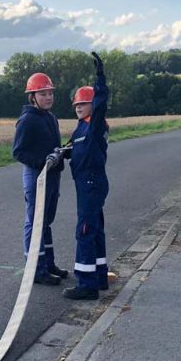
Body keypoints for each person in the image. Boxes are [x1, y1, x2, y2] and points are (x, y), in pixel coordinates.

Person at [12, 72, 68, 285]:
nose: (48, 97)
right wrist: (42, 162)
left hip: (52, 175)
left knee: (46, 222)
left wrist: (62, 153)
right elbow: (18, 151)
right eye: (43, 94)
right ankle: (35, 270)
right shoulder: (27, 120)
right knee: (35, 223)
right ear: (32, 96)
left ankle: (48, 264)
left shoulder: (50, 117)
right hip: (37, 176)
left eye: (50, 93)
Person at [62, 52, 110, 300]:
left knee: (85, 231)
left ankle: (86, 285)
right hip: (86, 183)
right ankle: (100, 277)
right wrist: (62, 153)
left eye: (83, 103)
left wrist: (100, 78)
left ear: (92, 105)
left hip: (91, 182)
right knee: (96, 230)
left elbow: (101, 102)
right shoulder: (81, 127)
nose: (78, 107)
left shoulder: (95, 124)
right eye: (76, 105)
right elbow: (75, 148)